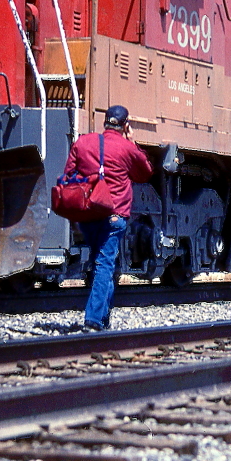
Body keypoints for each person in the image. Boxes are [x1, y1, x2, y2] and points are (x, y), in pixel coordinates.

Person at [63, 105, 153, 331]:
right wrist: (132, 142)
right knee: (104, 264)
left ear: (104, 122)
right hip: (114, 216)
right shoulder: (126, 148)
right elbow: (145, 173)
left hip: (88, 215)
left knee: (102, 263)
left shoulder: (82, 143)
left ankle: (103, 318)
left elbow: (68, 175)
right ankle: (93, 320)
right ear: (125, 125)